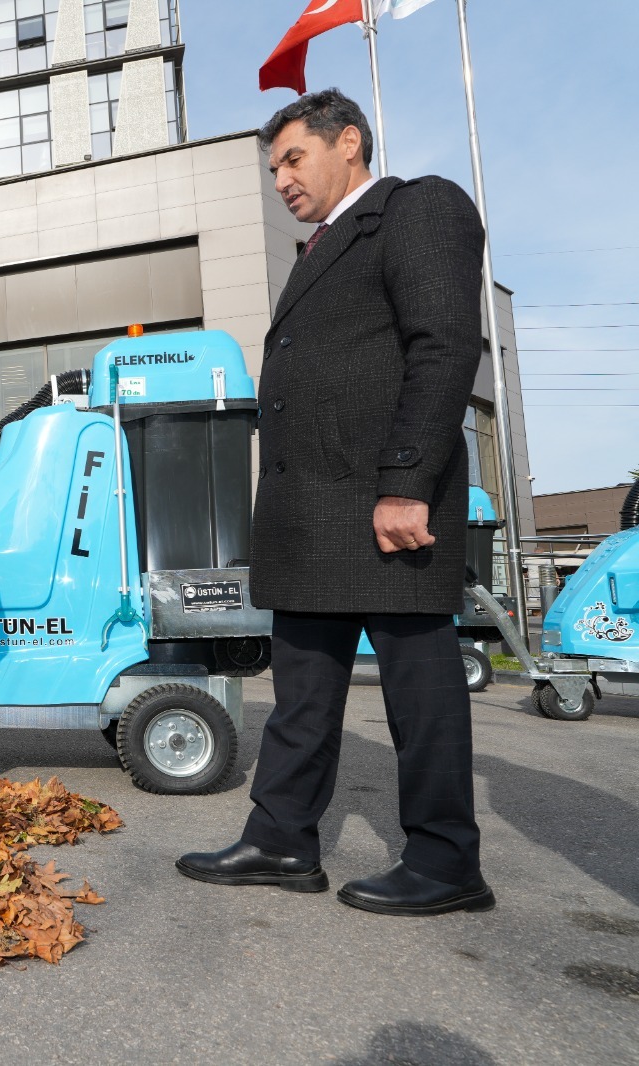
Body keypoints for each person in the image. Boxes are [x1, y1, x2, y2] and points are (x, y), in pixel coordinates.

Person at [175, 89, 494, 916]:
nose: (281, 178)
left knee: (418, 695)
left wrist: (405, 484)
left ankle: (447, 860)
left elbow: (444, 345)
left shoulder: (415, 209)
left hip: (383, 505)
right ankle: (281, 839)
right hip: (312, 515)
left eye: (293, 158)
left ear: (348, 142)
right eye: (272, 166)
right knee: (303, 694)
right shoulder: (320, 247)